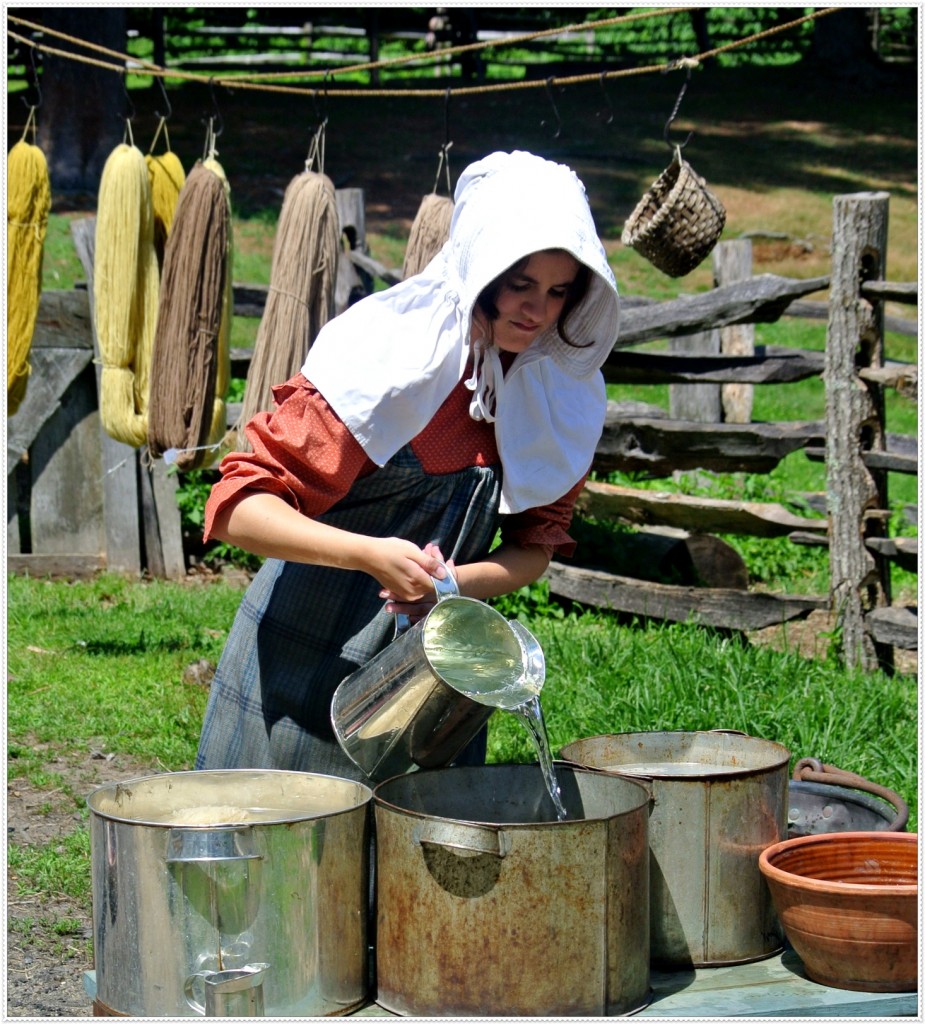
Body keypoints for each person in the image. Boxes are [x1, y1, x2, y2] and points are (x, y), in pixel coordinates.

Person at [195, 150, 620, 782]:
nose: (537, 311)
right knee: (281, 859)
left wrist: (449, 584)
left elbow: (533, 551)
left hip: (430, 677)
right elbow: (236, 510)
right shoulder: (391, 360)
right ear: (482, 269)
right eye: (521, 284)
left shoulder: (551, 397)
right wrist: (371, 555)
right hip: (305, 653)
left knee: (405, 866)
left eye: (559, 292)